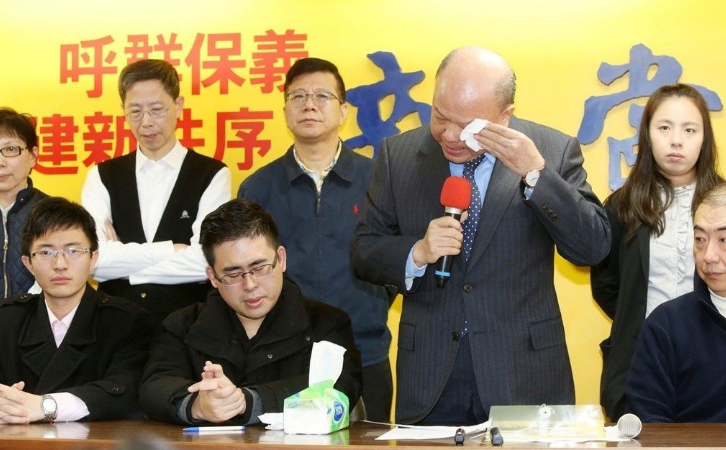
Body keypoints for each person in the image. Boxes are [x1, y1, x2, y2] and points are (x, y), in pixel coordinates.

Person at [351, 46, 610, 425]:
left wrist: (536, 174)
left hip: (525, 374)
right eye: (440, 116)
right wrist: (417, 252)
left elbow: (592, 247)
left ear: (505, 116)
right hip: (431, 377)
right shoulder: (398, 155)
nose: (451, 136)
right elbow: (364, 251)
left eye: (469, 126)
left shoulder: (551, 151)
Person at [237, 57, 393, 421]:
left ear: (343, 111)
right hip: (282, 355)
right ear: (285, 110)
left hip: (364, 349)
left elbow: (394, 260)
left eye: (322, 96)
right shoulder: (258, 187)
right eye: (298, 96)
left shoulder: (378, 180)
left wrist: (371, 303)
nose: (309, 105)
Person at [139, 198, 362, 425]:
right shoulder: (182, 325)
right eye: (233, 274)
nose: (250, 285)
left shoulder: (326, 324)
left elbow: (339, 386)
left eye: (260, 267)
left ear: (281, 259)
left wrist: (247, 402)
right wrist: (196, 406)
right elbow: (153, 387)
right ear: (213, 277)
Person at [590, 84, 723, 421]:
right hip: (640, 362)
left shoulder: (722, 205)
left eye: (689, 130)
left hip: (714, 363)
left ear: (704, 139)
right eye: (664, 127)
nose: (676, 140)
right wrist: (643, 323)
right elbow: (607, 285)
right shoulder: (622, 205)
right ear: (647, 135)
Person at [81, 59, 231, 327]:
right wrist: (173, 250)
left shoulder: (212, 174)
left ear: (179, 105)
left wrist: (124, 265)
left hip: (189, 325)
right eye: (135, 111)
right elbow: (92, 260)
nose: (147, 122)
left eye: (157, 109)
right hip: (113, 325)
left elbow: (205, 261)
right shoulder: (101, 175)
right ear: (123, 112)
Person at [0, 197, 151, 423]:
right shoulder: (6, 320)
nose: (60, 264)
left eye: (73, 250)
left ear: (93, 258)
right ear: (28, 263)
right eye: (46, 253)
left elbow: (128, 393)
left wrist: (45, 406)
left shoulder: (126, 322)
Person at [626, 183, 726, 422]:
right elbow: (648, 421)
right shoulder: (666, 325)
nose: (709, 256)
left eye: (724, 239)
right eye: (700, 239)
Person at [0, 108, 48, 298]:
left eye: (10, 149)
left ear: (33, 156)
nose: (1, 162)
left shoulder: (54, 213)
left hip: (36, 315)